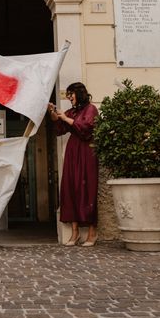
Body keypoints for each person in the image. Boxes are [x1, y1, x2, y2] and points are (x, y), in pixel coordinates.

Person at [48, 82, 99, 247]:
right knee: (71, 188)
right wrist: (54, 114)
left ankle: (92, 233)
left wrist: (66, 118)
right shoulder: (73, 111)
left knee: (88, 188)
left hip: (87, 152)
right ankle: (75, 233)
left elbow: (86, 128)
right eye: (68, 94)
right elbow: (59, 129)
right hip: (73, 152)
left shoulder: (91, 109)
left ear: (79, 93)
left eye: (71, 94)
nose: (69, 97)